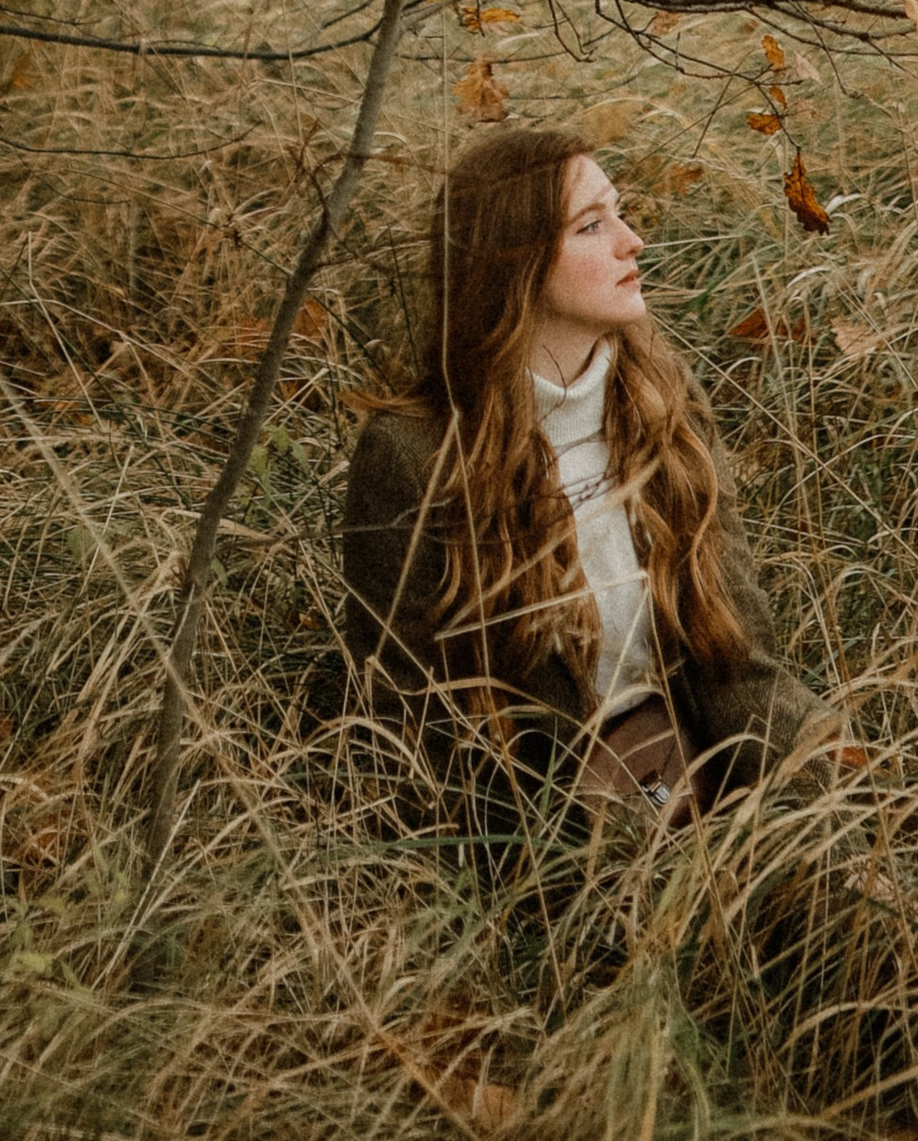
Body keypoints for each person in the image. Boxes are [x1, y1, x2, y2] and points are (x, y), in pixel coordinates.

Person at [343, 124, 819, 823]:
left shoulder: (662, 398)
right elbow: (409, 724)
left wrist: (821, 787)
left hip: (704, 762)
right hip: (541, 829)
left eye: (619, 213)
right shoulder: (412, 455)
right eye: (592, 226)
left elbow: (737, 657)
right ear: (516, 264)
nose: (633, 242)